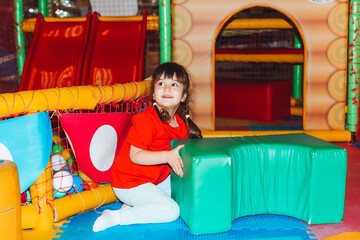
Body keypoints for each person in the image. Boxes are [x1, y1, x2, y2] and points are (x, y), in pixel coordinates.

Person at [93, 62, 202, 232]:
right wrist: (167, 156)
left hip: (154, 180)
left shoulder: (180, 125)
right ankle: (117, 216)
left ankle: (131, 207)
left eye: (174, 84)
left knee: (183, 192)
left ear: (183, 96)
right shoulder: (146, 119)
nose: (166, 89)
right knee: (171, 210)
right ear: (153, 94)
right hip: (129, 183)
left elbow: (178, 156)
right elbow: (135, 156)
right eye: (161, 84)